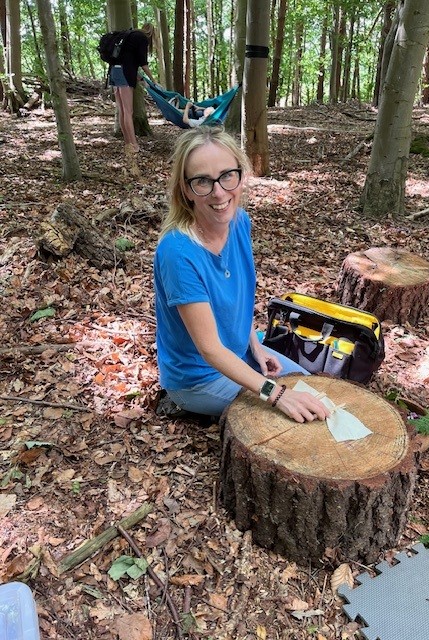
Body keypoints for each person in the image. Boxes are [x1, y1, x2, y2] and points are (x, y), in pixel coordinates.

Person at [153, 126, 330, 424]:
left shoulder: (239, 222)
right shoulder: (177, 253)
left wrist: (255, 347)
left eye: (227, 175)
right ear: (186, 189)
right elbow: (210, 349)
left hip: (239, 354)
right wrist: (276, 394)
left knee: (317, 394)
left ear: (241, 174)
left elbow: (238, 302)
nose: (219, 192)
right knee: (291, 418)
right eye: (202, 181)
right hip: (199, 380)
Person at [108, 23, 155, 154]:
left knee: (123, 111)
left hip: (114, 71)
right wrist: (154, 81)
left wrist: (140, 78)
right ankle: (134, 145)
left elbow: (129, 60)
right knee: (128, 112)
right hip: (124, 74)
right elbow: (143, 64)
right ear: (152, 34)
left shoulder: (130, 35)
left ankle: (128, 143)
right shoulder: (142, 38)